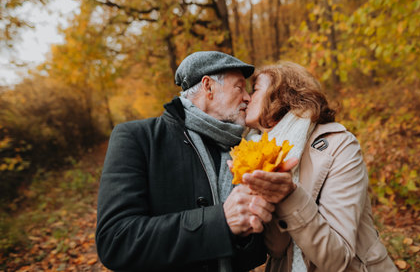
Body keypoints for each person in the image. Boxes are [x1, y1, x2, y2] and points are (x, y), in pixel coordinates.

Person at [96, 51, 286, 271]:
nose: (247, 97)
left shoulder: (243, 151)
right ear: (208, 87)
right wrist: (220, 222)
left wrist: (246, 233)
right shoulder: (137, 137)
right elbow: (115, 240)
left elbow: (254, 255)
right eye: (239, 87)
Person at [241, 62, 397, 271]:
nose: (247, 98)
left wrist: (288, 196)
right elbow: (277, 249)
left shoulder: (339, 145)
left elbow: (338, 258)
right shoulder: (257, 153)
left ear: (282, 95)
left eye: (255, 90)